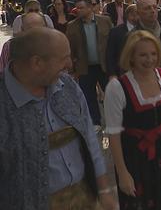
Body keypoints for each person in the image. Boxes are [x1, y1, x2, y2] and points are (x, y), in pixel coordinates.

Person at [0, 27, 117, 209]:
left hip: (83, 200)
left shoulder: (68, 85)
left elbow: (89, 137)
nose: (70, 65)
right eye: (64, 58)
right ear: (37, 63)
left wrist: (103, 190)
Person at [104, 31, 161, 209]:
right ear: (131, 56)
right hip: (137, 159)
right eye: (143, 55)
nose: (149, 59)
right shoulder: (117, 88)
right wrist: (122, 172)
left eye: (153, 54)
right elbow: (114, 134)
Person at [65, 0, 113, 127]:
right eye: (77, 8)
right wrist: (73, 69)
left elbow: (112, 42)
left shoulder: (105, 21)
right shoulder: (72, 26)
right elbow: (70, 49)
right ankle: (95, 121)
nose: (78, 10)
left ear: (90, 8)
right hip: (85, 67)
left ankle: (113, 120)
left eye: (81, 8)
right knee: (89, 96)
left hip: (104, 65)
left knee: (110, 94)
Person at [106, 4, 139, 79]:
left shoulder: (143, 29)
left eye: (138, 14)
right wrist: (112, 73)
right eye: (133, 14)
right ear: (127, 15)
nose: (136, 17)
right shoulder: (116, 31)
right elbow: (110, 54)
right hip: (122, 71)